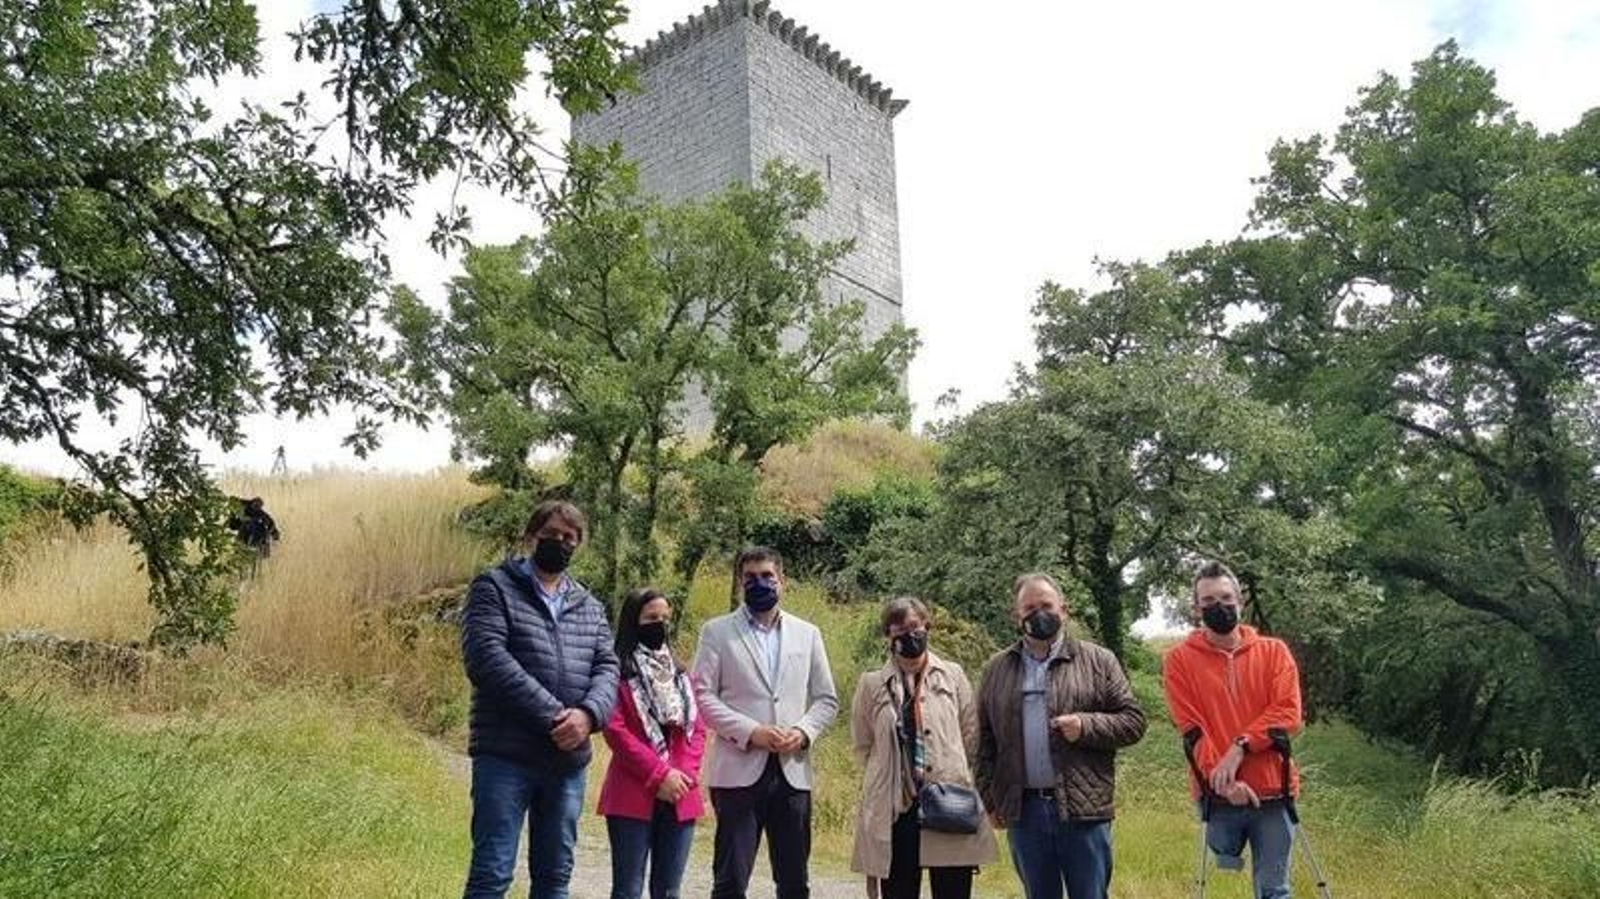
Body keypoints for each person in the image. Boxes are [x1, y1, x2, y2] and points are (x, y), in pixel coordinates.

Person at [459, 500, 620, 899]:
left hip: (566, 764)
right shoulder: (493, 587)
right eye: (551, 535)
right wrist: (555, 717)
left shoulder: (590, 606)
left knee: (554, 879)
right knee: (492, 874)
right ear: (532, 537)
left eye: (569, 537)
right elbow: (486, 658)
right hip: (505, 755)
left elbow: (608, 668)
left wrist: (587, 716)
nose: (560, 543)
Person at [974, 573, 1147, 899]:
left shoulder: (1099, 660)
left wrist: (1086, 726)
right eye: (1029, 607)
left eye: (1046, 605)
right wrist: (989, 798)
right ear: (1016, 616)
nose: (1038, 613)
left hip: (1083, 809)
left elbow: (1133, 722)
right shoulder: (997, 669)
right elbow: (983, 741)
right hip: (1024, 812)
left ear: (1063, 610)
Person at [691, 546, 839, 899]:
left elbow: (826, 699)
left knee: (793, 883)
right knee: (730, 881)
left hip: (792, 772)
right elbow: (701, 695)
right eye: (751, 578)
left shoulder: (808, 634)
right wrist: (750, 731)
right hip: (738, 771)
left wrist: (803, 733)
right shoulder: (717, 632)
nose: (760, 584)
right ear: (741, 583)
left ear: (782, 581)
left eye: (767, 577)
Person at [1162, 560, 1304, 899]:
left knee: (1275, 890)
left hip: (1274, 790)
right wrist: (1223, 779)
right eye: (1208, 601)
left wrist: (1240, 746)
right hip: (1217, 795)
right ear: (1196, 609)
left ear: (1240, 601)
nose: (1218, 606)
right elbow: (1191, 728)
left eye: (1226, 598)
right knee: (1222, 870)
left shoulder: (1274, 652)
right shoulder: (1179, 661)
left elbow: (1288, 713)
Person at [850, 597, 997, 899]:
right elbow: (863, 744)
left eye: (915, 626)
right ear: (888, 636)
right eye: (899, 630)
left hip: (948, 800)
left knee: (953, 891)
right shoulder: (872, 684)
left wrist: (949, 770)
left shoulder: (953, 675)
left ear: (927, 626)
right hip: (896, 808)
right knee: (899, 891)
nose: (909, 635)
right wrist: (889, 776)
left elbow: (970, 734)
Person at [598, 587, 708, 899]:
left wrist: (681, 775)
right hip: (632, 789)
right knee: (627, 890)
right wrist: (660, 775)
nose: (659, 624)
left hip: (680, 793)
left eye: (664, 618)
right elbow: (616, 731)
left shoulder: (680, 674)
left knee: (669, 891)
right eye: (651, 618)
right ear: (634, 621)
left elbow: (697, 729)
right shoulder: (616, 671)